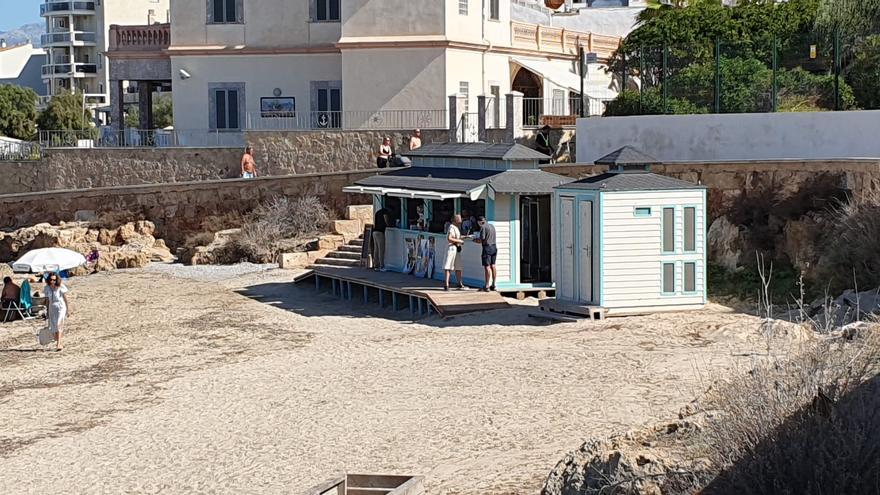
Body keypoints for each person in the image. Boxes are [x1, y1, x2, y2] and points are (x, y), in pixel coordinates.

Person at [45, 273, 71, 352]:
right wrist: (46, 310)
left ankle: (58, 344)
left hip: (60, 307)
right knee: (53, 326)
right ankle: (58, 340)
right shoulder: (47, 288)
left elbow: (65, 298)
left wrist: (68, 310)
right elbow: (47, 300)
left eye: (54, 280)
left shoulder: (60, 287)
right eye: (51, 280)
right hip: (51, 308)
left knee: (59, 324)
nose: (52, 281)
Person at [473, 216, 497, 292]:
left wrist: (475, 240)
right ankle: (493, 284)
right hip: (494, 247)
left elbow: (482, 239)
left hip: (487, 248)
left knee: (487, 266)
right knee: (493, 265)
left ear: (480, 222)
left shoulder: (483, 227)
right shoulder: (492, 226)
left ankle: (487, 285)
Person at [444, 214, 466, 291]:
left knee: (458, 267)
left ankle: (460, 283)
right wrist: (459, 241)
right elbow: (449, 238)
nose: (461, 220)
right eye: (459, 219)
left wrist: (464, 237)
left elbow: (455, 237)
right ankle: (446, 285)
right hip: (452, 248)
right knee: (448, 266)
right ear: (455, 220)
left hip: (457, 249)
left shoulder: (456, 228)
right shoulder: (451, 227)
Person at [372, 206, 391, 271]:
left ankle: (375, 265)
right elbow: (386, 222)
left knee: (376, 249)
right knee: (381, 249)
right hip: (380, 232)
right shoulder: (385, 212)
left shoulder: (377, 212)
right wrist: (389, 224)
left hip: (374, 231)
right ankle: (382, 266)